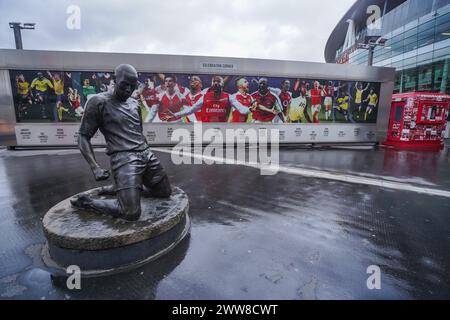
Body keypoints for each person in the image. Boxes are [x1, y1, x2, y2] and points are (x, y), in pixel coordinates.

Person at [70, 64, 172, 221]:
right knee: (130, 212)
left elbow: (138, 133)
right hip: (124, 158)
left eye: (133, 86)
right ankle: (88, 202)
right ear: (114, 80)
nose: (128, 90)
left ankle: (122, 188)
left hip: (146, 153)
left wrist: (146, 153)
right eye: (124, 84)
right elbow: (83, 136)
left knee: (164, 191)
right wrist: (94, 167)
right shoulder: (98, 102)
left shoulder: (134, 104)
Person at [167, 76, 251, 122]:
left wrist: (251, 108)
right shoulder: (205, 96)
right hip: (205, 130)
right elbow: (191, 110)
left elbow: (242, 110)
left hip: (221, 130)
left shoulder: (228, 96)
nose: (216, 83)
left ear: (222, 84)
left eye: (218, 81)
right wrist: (176, 115)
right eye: (214, 81)